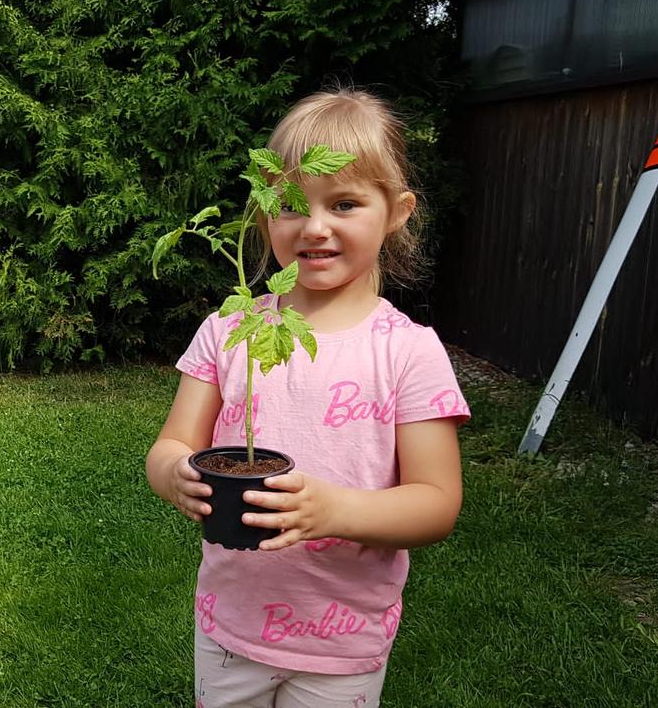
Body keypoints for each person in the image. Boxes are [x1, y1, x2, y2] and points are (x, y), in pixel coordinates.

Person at [145, 89, 470, 708]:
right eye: (291, 205)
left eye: (344, 203)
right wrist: (174, 475)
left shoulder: (408, 353)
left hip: (340, 640)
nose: (314, 227)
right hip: (229, 625)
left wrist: (332, 512)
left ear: (396, 211)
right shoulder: (230, 328)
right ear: (264, 214)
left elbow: (436, 503)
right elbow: (173, 444)